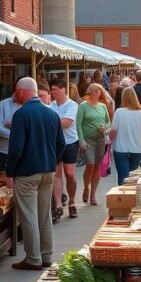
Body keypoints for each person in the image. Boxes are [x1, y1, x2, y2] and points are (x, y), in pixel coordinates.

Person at [6, 77, 64, 270]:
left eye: (16, 92)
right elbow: (61, 144)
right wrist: (51, 161)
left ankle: (33, 258)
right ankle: (46, 255)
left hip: (27, 173)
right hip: (48, 171)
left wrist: (10, 172)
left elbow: (15, 149)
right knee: (44, 215)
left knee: (29, 216)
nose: (15, 95)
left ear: (22, 92)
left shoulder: (21, 115)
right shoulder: (51, 113)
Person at [76, 83, 111, 205]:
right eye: (95, 91)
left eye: (99, 91)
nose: (97, 93)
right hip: (88, 140)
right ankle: (86, 187)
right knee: (89, 165)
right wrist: (81, 140)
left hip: (100, 140)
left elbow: (108, 123)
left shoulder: (102, 106)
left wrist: (105, 128)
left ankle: (93, 195)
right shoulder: (83, 106)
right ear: (89, 93)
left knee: (97, 166)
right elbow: (78, 124)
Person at [49, 79, 79, 219]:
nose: (53, 92)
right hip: (54, 143)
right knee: (56, 174)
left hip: (69, 142)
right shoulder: (51, 105)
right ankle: (58, 205)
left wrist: (48, 122)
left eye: (55, 89)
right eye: (52, 90)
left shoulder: (72, 105)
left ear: (63, 90)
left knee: (70, 173)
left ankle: (72, 201)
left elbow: (66, 123)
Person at [110, 87, 141, 185]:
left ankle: (123, 197)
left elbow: (113, 131)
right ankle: (131, 197)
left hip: (121, 149)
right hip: (137, 149)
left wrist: (107, 134)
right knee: (132, 178)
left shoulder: (119, 112)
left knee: (123, 177)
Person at [0, 89, 23, 172]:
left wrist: (13, 126)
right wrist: (16, 134)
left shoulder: (30, 105)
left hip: (26, 152)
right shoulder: (3, 105)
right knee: (7, 181)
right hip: (5, 151)